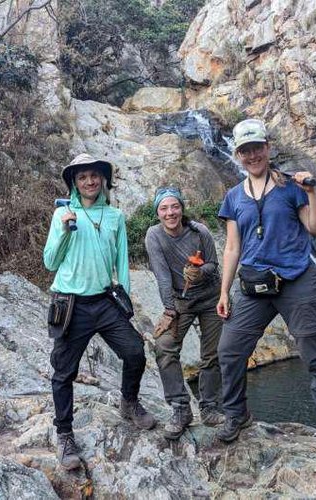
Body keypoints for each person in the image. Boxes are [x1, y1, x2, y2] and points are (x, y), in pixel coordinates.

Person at [215, 119, 316, 461]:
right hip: (253, 284)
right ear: (238, 155)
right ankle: (237, 414)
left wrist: (311, 192)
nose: (252, 155)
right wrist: (223, 292)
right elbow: (232, 247)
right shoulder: (233, 197)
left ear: (267, 148)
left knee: (315, 353)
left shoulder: (291, 186)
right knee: (230, 351)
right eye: (245, 150)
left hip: (297, 281)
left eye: (257, 148)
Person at [43, 153, 156, 470]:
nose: (90, 181)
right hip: (71, 304)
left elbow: (121, 261)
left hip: (105, 301)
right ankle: (65, 435)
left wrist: (126, 300)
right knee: (64, 372)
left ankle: (129, 402)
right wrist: (65, 229)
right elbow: (50, 262)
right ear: (74, 183)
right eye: (82, 177)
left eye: (94, 175)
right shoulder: (63, 215)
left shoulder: (115, 216)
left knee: (135, 352)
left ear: (103, 180)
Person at [145, 187, 225, 440]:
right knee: (165, 347)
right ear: (158, 212)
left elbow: (214, 264)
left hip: (211, 297)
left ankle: (210, 408)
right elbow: (162, 275)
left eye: (174, 206)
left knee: (212, 354)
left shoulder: (199, 231)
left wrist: (200, 272)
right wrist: (169, 309)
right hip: (180, 301)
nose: (170, 213)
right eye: (164, 208)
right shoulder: (154, 236)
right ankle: (181, 408)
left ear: (181, 207)